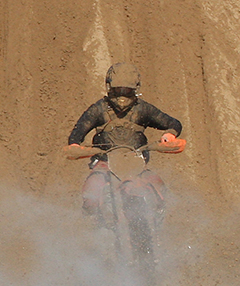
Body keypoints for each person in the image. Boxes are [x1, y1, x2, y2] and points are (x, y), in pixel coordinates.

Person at [66, 62, 186, 220]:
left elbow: (174, 123)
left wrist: (169, 135)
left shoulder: (142, 109)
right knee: (91, 197)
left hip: (136, 164)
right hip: (105, 164)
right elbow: (78, 132)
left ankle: (157, 223)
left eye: (127, 91)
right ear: (110, 88)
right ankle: (93, 228)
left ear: (135, 89)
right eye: (118, 90)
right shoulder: (99, 109)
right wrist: (75, 146)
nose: (122, 96)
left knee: (159, 190)